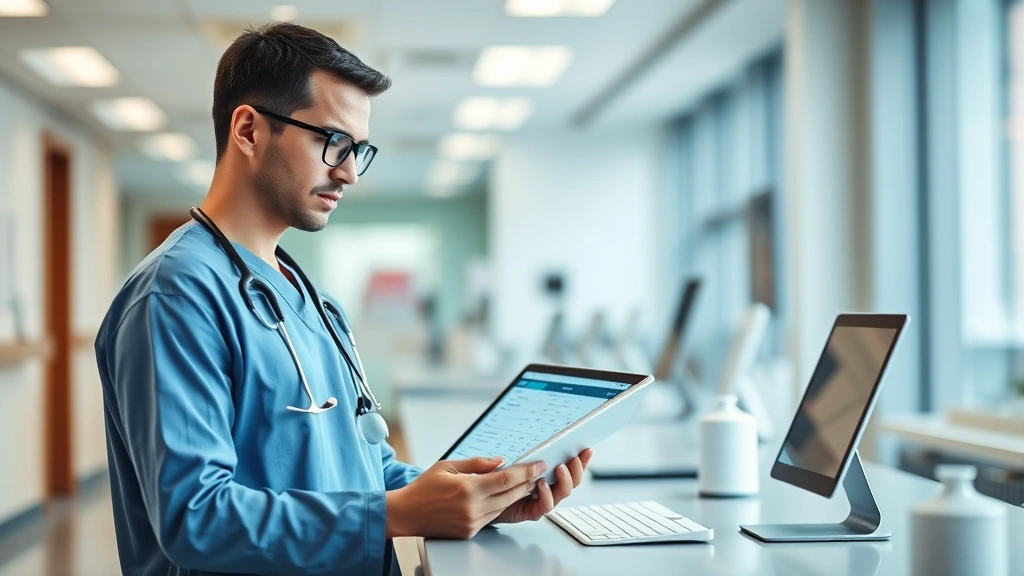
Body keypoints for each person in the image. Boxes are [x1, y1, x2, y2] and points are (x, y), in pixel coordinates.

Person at [95, 23, 592, 576]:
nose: (350, 173)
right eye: (333, 142)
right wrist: (393, 512)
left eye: (359, 150)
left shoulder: (315, 302)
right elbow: (196, 518)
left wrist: (477, 498)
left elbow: (362, 468)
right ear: (248, 130)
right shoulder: (176, 296)